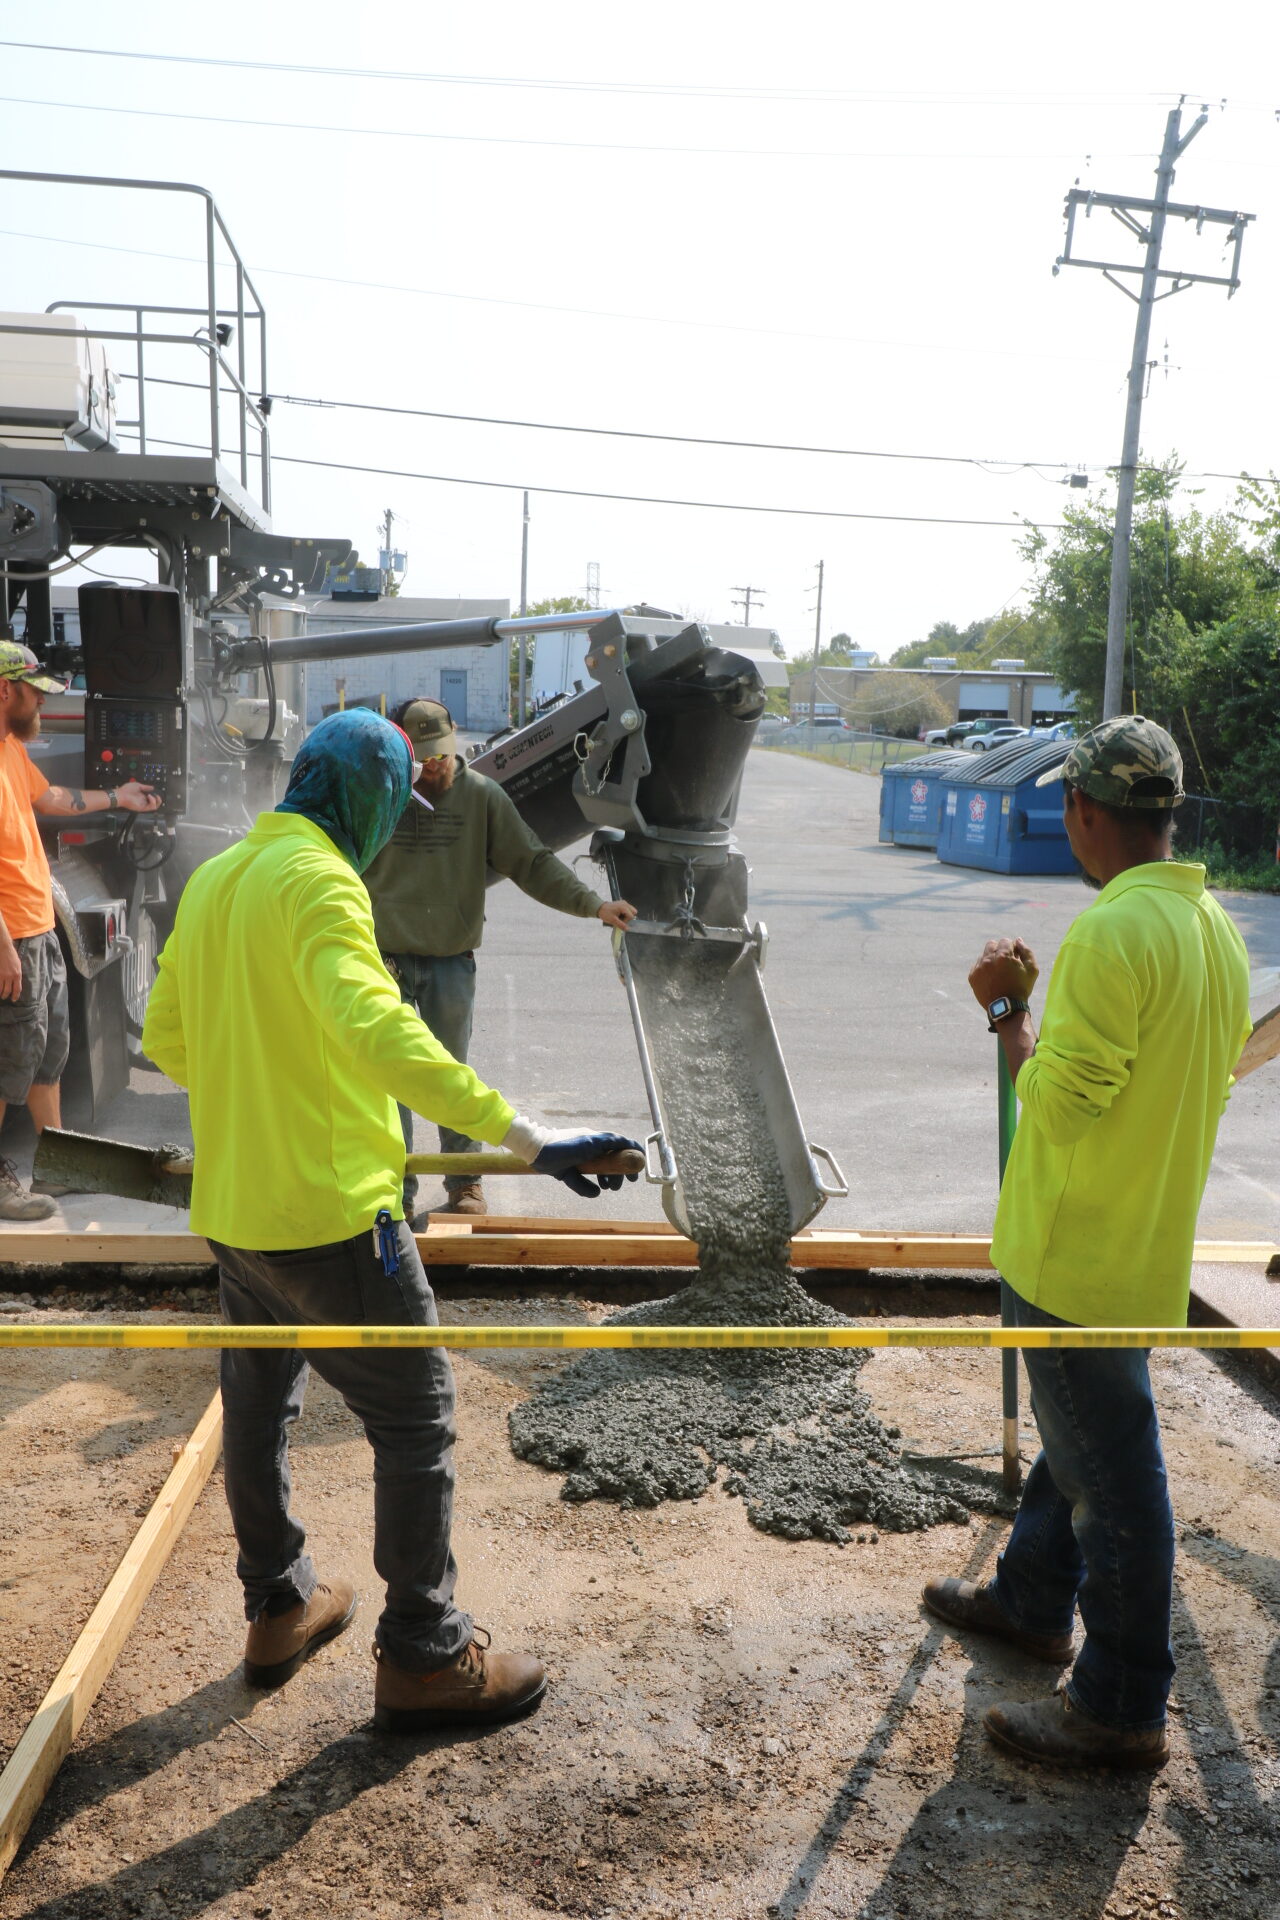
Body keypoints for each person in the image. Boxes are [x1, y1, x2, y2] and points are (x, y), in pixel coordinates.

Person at [142, 707, 639, 1733]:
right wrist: (524, 1139)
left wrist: (268, 1083)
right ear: (365, 796)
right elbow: (377, 1030)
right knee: (416, 1421)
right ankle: (424, 1654)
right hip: (331, 1216)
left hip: (237, 1210)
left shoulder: (222, 878)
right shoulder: (322, 882)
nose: (393, 826)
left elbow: (169, 1038)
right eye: (391, 803)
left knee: (260, 1404)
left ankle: (278, 1605)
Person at [924, 716, 1250, 1770]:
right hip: (1138, 1243)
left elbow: (1056, 1106)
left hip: (1073, 1257)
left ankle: (1117, 1704)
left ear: (1080, 811)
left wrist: (1007, 1008)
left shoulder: (1114, 931)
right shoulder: (1212, 926)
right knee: (1079, 1445)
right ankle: (1028, 1599)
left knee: (1112, 1480)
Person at [363, 696, 638, 1221]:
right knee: (386, 1081)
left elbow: (531, 862)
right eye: (422, 756)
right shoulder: (380, 795)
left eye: (441, 752)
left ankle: (465, 1184)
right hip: (381, 960)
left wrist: (594, 905)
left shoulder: (480, 797)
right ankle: (391, 1190)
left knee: (450, 1077)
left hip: (450, 962)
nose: (435, 764)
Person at [0, 640, 160, 1221]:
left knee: (48, 1051)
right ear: (4, 690)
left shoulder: (12, 753)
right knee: (7, 1061)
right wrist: (4, 948)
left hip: (37, 927)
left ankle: (58, 1164)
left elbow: (55, 799)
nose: (42, 704)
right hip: (10, 938)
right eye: (35, 693)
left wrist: (118, 796)